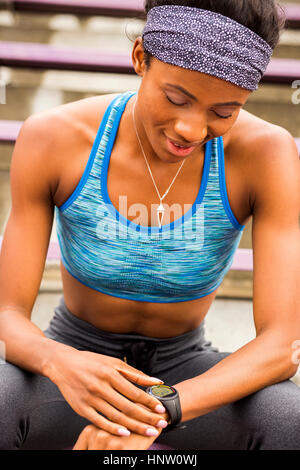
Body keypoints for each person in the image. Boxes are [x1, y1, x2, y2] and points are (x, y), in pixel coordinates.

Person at [0, 0, 299, 451]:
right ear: (140, 58)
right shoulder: (54, 138)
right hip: (75, 364)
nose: (190, 128)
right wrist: (59, 361)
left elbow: (281, 345)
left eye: (224, 112)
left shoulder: (266, 153)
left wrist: (159, 408)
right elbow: (7, 314)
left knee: (285, 419)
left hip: (185, 373)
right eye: (177, 98)